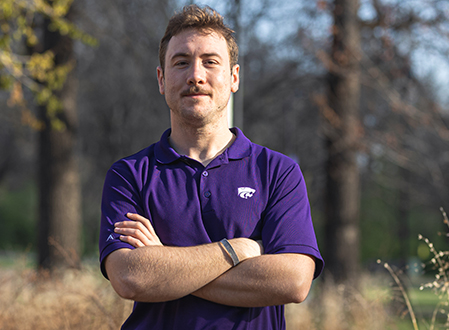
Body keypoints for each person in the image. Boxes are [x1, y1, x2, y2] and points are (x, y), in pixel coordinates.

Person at [99, 4, 323, 329]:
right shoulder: (129, 175)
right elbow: (130, 278)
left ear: (233, 78)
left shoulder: (278, 172)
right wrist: (237, 250)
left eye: (210, 62)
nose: (195, 75)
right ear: (161, 79)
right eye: (181, 62)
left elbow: (293, 282)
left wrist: (164, 264)